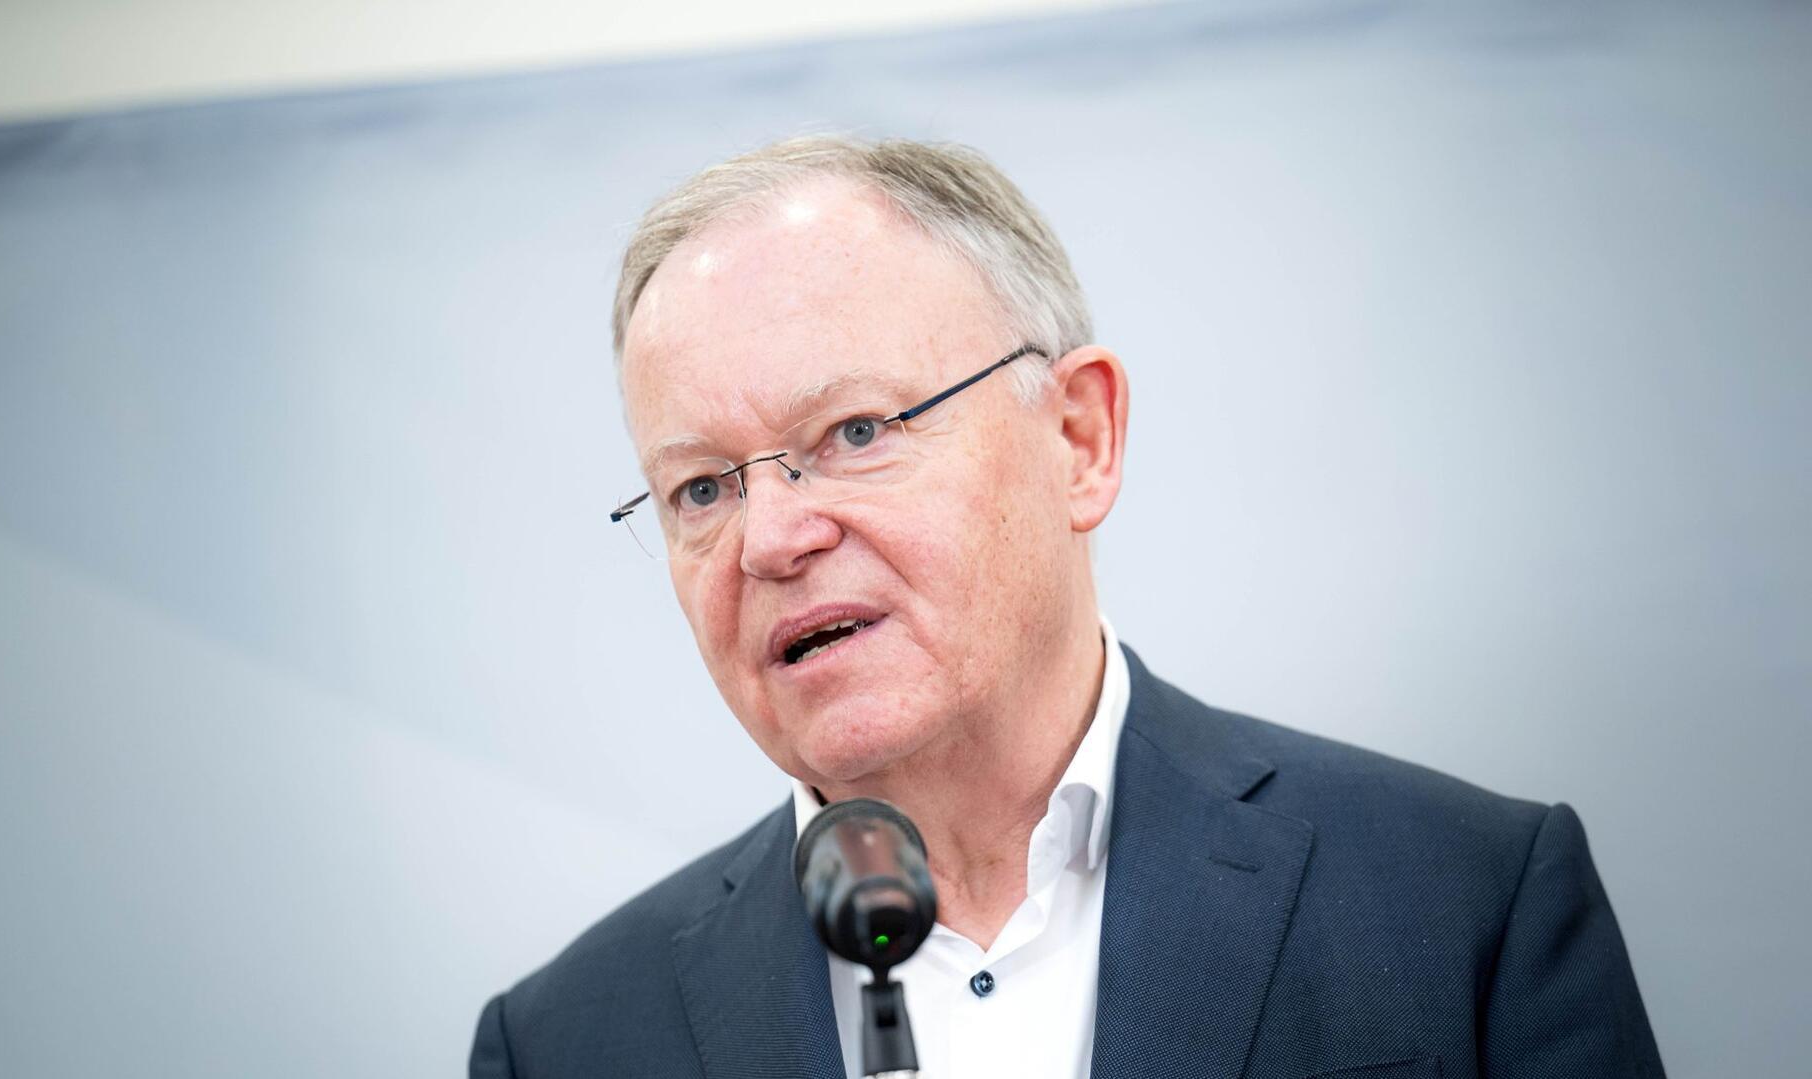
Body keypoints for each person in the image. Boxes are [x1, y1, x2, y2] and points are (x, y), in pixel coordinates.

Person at [469, 135, 1663, 1078]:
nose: (773, 536)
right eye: (700, 487)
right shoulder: (566, 1039)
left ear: (1080, 438)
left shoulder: (1467, 905)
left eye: (858, 430)